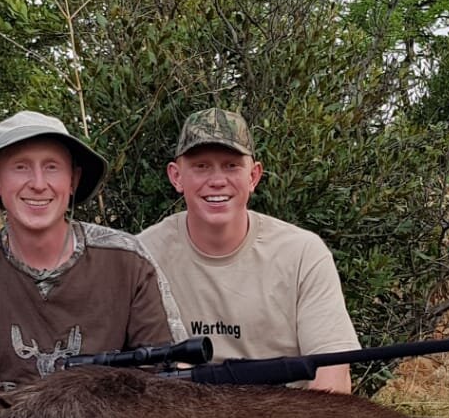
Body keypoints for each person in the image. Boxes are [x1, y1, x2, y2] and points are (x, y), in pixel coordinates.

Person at [0, 111, 185, 391]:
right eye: (20, 167)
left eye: (52, 167)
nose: (38, 184)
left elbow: (163, 384)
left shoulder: (128, 260)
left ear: (73, 179)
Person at [139, 108, 360, 393]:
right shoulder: (142, 255)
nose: (217, 180)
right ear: (176, 176)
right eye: (201, 166)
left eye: (231, 166)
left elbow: (333, 377)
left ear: (254, 176)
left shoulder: (304, 253)